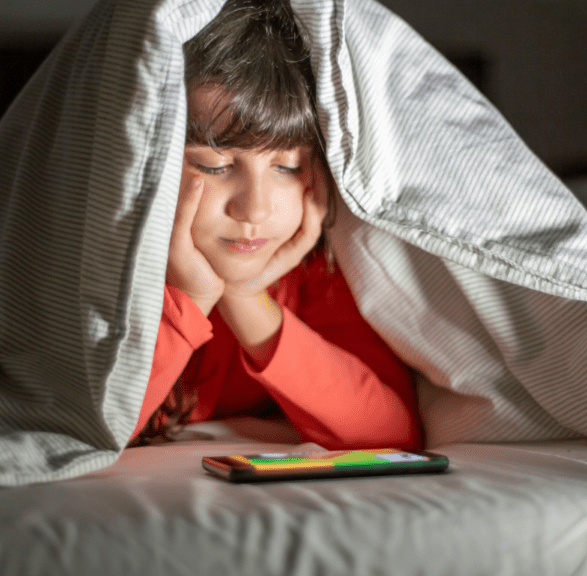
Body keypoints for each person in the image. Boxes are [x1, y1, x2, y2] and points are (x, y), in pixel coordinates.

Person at [129, 0, 423, 450]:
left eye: (286, 167)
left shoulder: (313, 272)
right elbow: (81, 424)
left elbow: (389, 432)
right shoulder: (113, 265)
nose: (256, 210)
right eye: (215, 165)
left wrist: (245, 297)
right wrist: (190, 299)